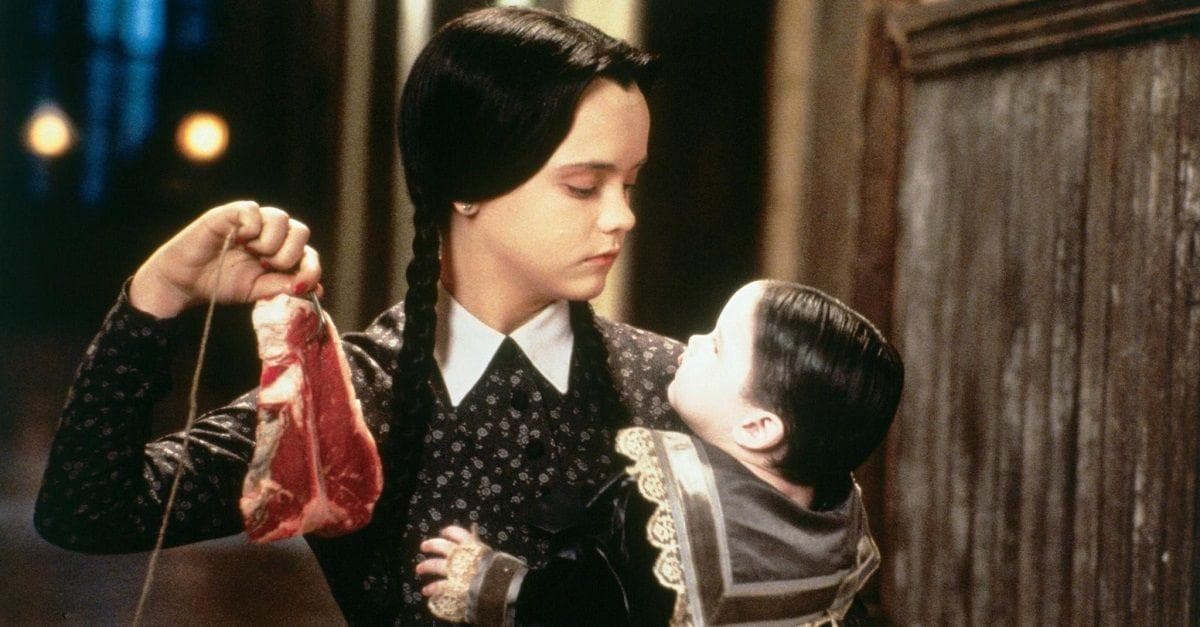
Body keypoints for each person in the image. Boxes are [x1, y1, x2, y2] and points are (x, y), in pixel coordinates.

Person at [33, 7, 686, 624]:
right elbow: (89, 511)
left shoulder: (676, 383)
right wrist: (159, 292)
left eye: (629, 184)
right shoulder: (349, 397)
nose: (621, 216)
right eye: (583, 186)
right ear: (466, 183)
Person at [414, 280, 904, 626]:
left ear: (757, 428)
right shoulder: (835, 523)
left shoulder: (667, 513)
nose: (693, 340)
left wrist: (495, 582)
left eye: (717, 346)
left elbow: (587, 608)